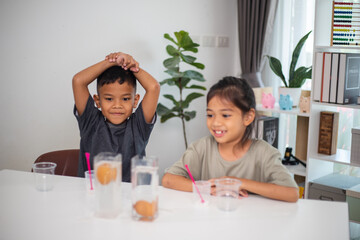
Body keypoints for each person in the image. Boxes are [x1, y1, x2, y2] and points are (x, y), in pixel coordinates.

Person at [162, 76, 299, 202]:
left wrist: (238, 182)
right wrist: (206, 188)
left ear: (248, 117)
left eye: (225, 115)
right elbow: (168, 179)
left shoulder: (264, 153)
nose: (215, 123)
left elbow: (292, 193)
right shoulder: (201, 148)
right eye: (210, 115)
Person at [72, 52, 160, 181]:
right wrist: (113, 61)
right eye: (109, 99)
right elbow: (78, 81)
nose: (117, 105)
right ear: (97, 100)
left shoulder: (139, 126)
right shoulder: (90, 122)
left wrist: (131, 65)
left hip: (130, 197)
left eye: (125, 99)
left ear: (135, 101)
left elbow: (154, 87)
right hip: (93, 195)